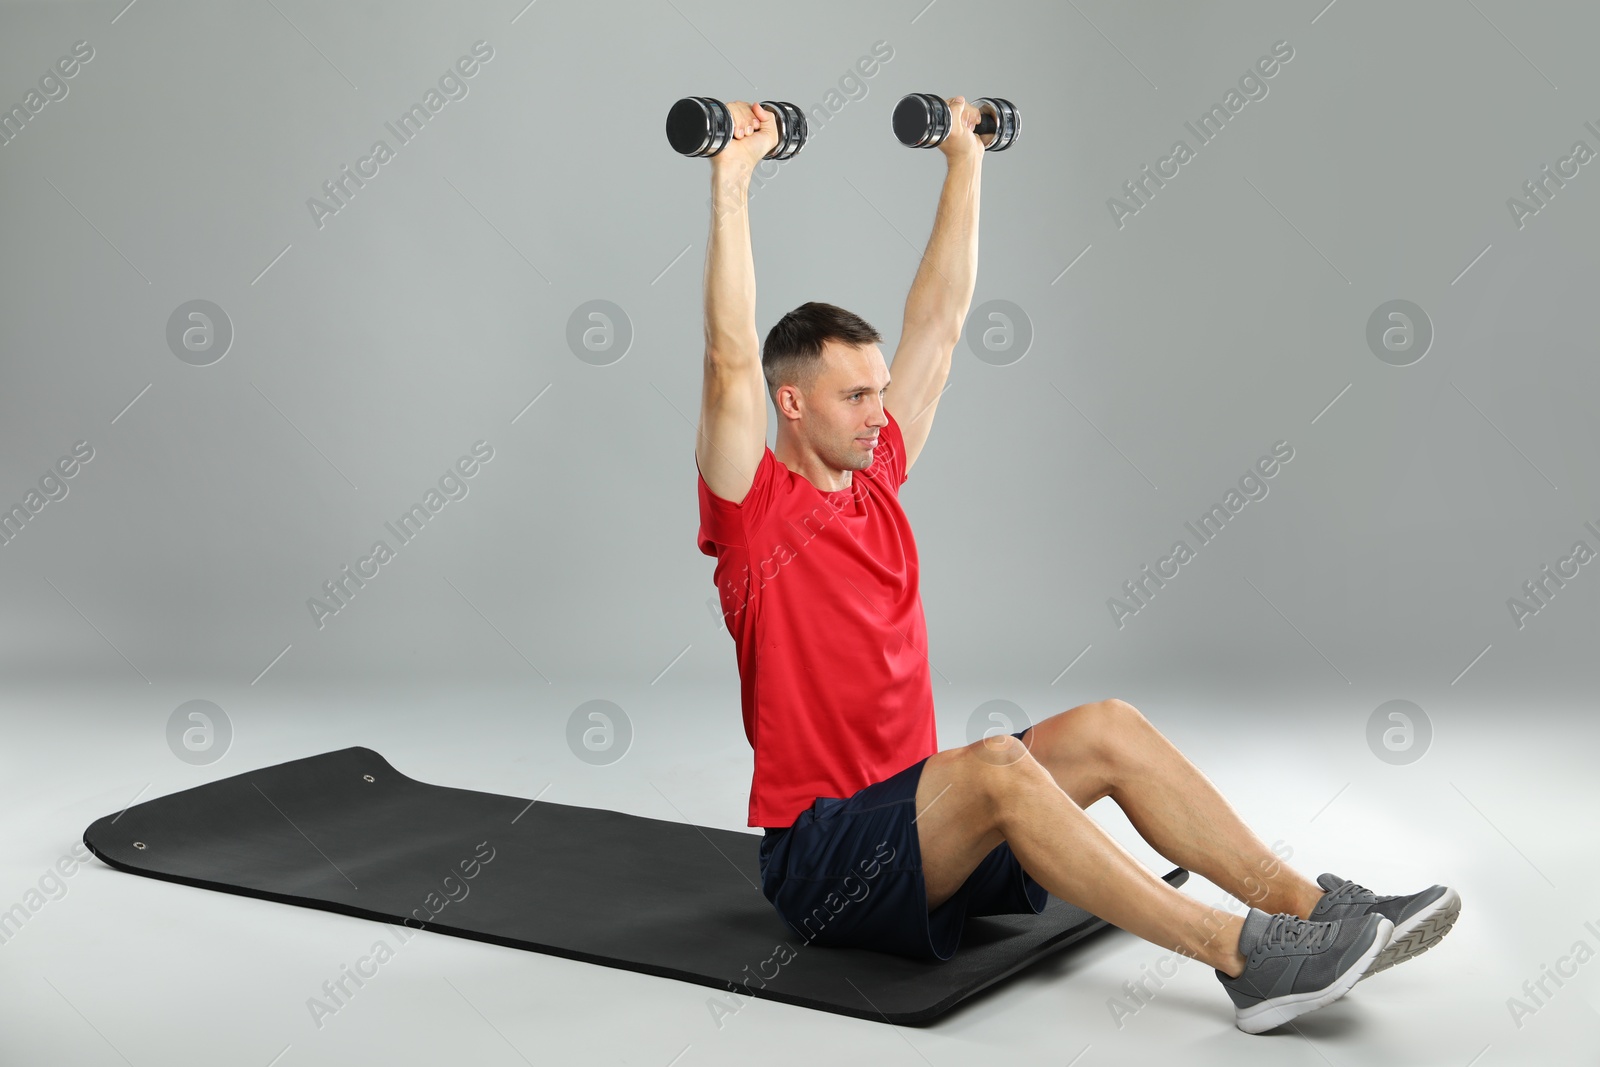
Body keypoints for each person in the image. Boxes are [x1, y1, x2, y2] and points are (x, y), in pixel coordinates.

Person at [692, 98, 1459, 1034]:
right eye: (854, 396)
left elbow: (940, 320)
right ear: (792, 403)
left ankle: (1315, 910)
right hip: (825, 862)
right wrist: (732, 181)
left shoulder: (878, 480)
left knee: (1107, 726)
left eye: (879, 393)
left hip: (923, 825)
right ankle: (1243, 955)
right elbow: (728, 358)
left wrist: (965, 158)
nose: (878, 413)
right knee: (1000, 764)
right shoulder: (755, 515)